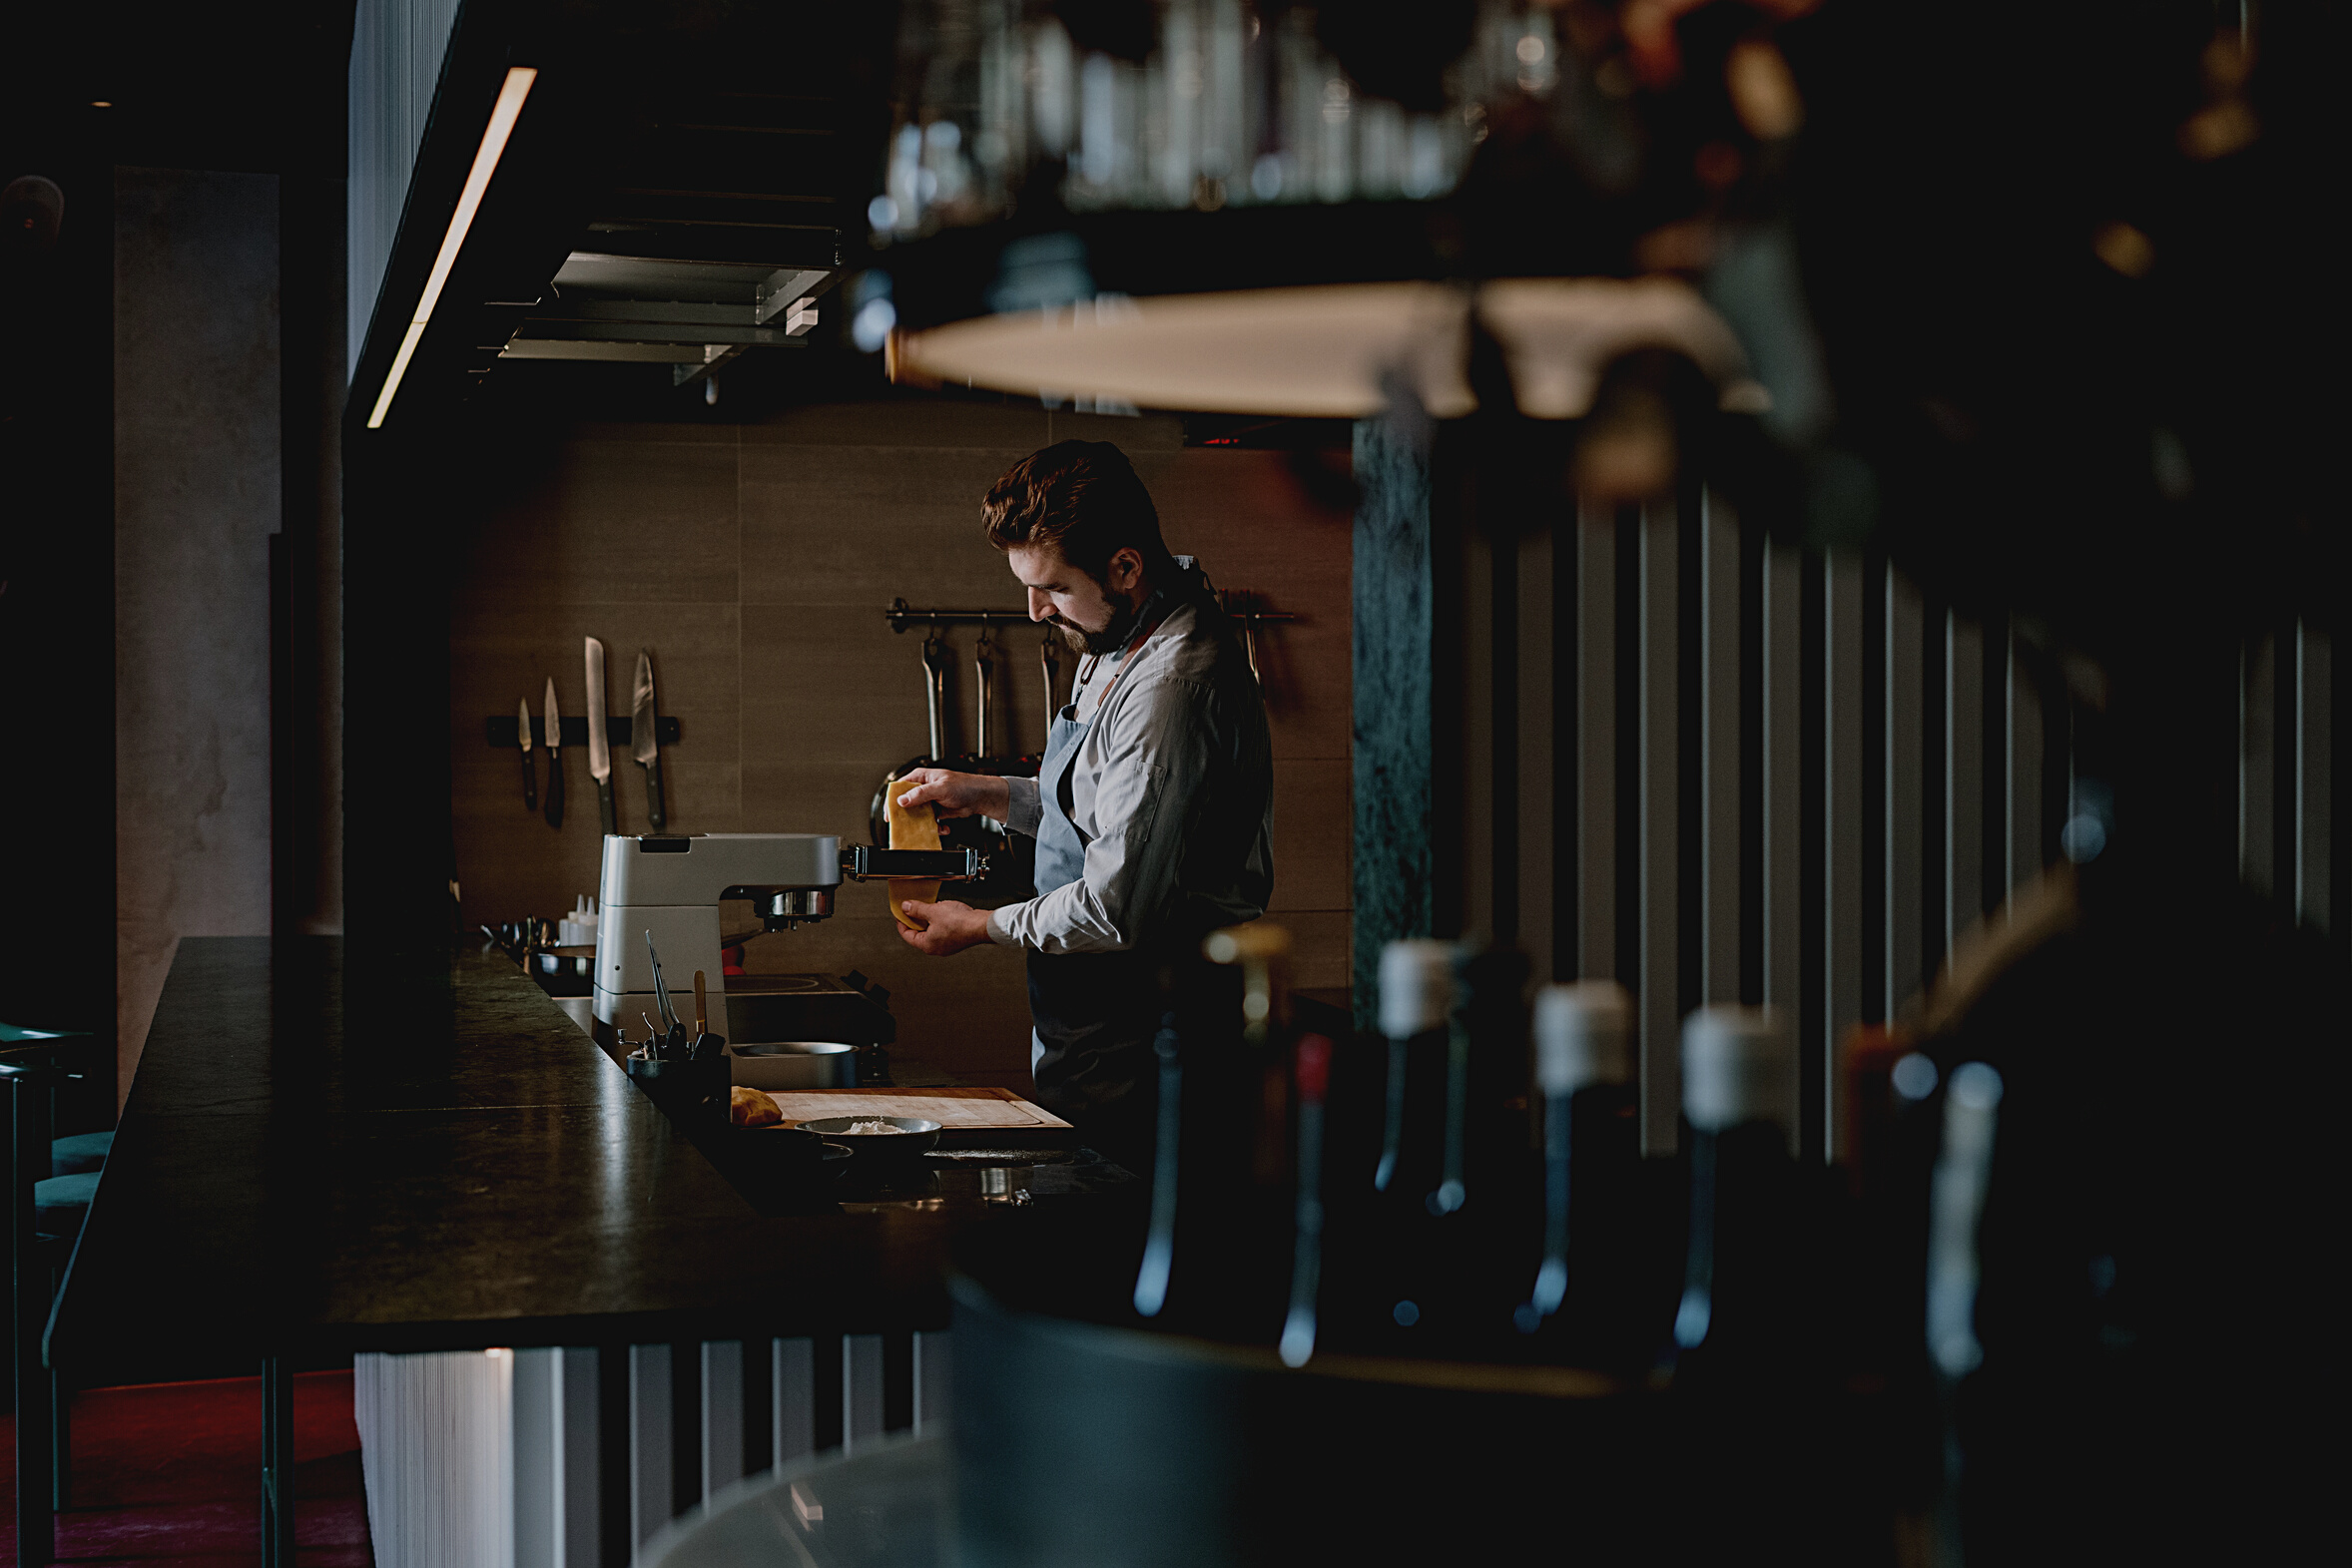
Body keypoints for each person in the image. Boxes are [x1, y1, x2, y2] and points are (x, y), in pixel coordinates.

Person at [892, 440, 1274, 1166]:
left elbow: (1114, 904)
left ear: (1126, 567)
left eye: (1053, 588)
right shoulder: (1118, 633)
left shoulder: (1173, 688)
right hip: (1093, 1019)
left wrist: (979, 925)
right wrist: (990, 794)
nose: (1035, 610)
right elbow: (1104, 810)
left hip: (1154, 1034)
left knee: (1116, 1249)